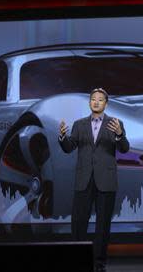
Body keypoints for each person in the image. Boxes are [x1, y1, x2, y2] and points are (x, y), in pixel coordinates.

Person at [58, 88, 130, 272]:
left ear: (106, 103)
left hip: (105, 180)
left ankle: (99, 263)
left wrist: (120, 134)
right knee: (78, 223)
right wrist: (62, 137)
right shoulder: (79, 125)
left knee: (103, 225)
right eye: (93, 99)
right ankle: (78, 261)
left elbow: (124, 149)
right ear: (89, 102)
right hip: (84, 179)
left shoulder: (115, 124)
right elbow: (69, 147)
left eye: (100, 100)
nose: (96, 102)